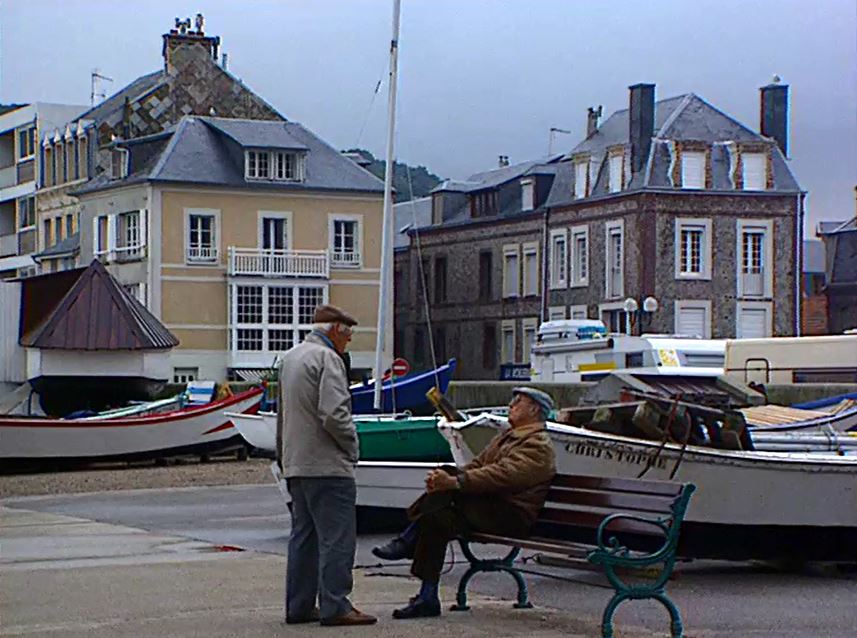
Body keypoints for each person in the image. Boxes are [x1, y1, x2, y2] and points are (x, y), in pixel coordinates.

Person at [372, 387, 557, 619]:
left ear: (534, 410)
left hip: (511, 514)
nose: (511, 405)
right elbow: (478, 465)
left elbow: (503, 475)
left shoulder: (538, 445)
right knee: (436, 518)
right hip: (490, 507)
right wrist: (447, 479)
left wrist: (456, 482)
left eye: (518, 401)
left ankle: (407, 541)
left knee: (447, 489)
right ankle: (427, 596)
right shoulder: (508, 436)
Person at [276, 304, 377, 627]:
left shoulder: (290, 358)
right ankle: (336, 605)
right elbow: (334, 414)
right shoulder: (328, 359)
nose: (349, 341)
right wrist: (352, 447)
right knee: (337, 538)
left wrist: (283, 457)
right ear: (335, 330)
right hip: (327, 465)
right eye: (348, 334)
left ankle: (299, 606)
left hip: (296, 463)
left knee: (303, 538)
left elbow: (282, 415)